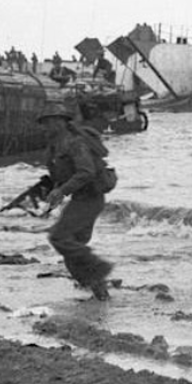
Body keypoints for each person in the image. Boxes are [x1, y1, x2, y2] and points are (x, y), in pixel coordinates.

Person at [39, 104, 114, 301]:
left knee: (59, 238)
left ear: (60, 123)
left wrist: (61, 191)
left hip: (90, 199)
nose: (44, 128)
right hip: (81, 199)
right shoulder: (55, 147)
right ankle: (100, 294)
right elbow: (63, 174)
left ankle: (99, 268)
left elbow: (86, 172)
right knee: (71, 247)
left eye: (47, 123)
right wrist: (53, 189)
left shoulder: (75, 143)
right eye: (43, 124)